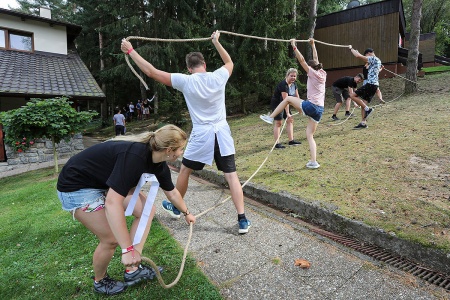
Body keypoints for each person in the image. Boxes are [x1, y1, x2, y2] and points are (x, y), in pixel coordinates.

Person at [121, 31, 251, 234]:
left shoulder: (186, 81)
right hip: (222, 135)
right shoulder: (218, 76)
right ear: (204, 64)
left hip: (202, 136)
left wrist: (130, 51)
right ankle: (242, 219)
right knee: (231, 176)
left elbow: (152, 72)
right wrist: (216, 42)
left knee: (185, 171)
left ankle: (175, 206)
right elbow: (230, 62)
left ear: (189, 68)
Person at [56, 125, 196, 295]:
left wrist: (187, 213)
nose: (182, 152)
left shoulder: (158, 163)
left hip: (99, 181)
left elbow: (172, 193)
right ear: (169, 150)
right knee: (111, 239)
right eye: (181, 149)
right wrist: (127, 249)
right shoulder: (134, 157)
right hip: (76, 187)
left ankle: (133, 269)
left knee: (146, 210)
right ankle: (100, 281)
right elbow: (113, 203)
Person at [260, 38, 326, 169]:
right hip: (320, 110)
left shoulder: (312, 73)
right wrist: (313, 46)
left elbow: (301, 60)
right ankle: (313, 162)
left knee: (288, 99)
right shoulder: (323, 73)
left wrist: (294, 46)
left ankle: (270, 117)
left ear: (311, 68)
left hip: (312, 106)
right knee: (310, 135)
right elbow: (316, 59)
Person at [269, 68, 302, 149]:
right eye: (291, 76)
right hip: (277, 104)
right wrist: (287, 113)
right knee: (278, 123)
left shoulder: (294, 84)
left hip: (285, 103)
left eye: (294, 76)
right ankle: (277, 144)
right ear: (287, 76)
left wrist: (300, 108)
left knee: (290, 120)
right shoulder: (283, 85)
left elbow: (297, 97)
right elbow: (285, 100)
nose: (293, 78)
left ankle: (291, 141)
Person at [348, 47, 379, 129]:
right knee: (363, 104)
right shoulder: (376, 60)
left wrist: (351, 49)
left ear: (369, 53)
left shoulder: (373, 58)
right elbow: (360, 56)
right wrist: (357, 52)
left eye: (366, 56)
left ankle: (368, 109)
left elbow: (358, 56)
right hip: (374, 85)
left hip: (370, 84)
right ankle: (363, 123)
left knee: (352, 95)